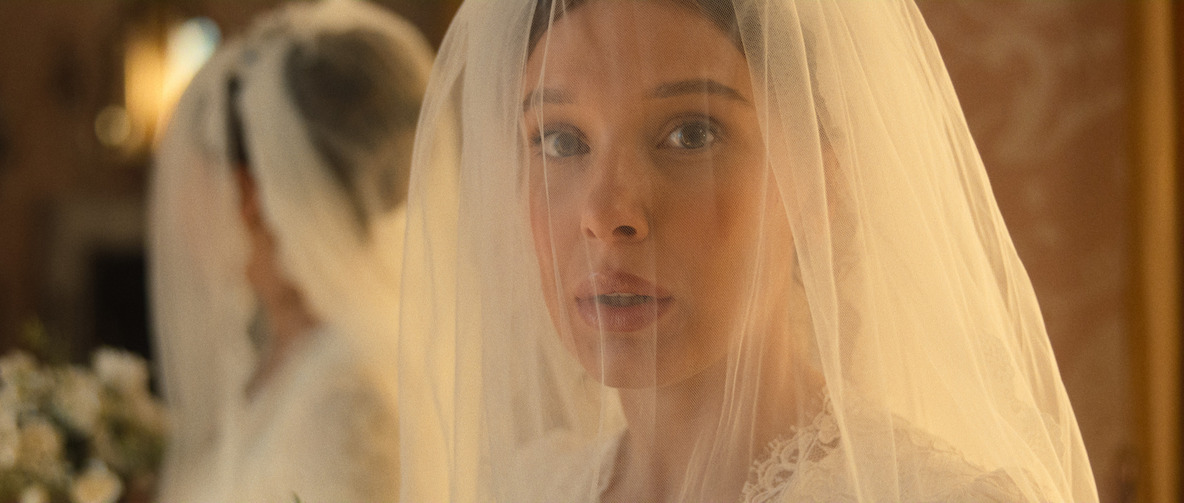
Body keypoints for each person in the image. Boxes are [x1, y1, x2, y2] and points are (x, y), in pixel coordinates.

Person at [397, 0, 1100, 501]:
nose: (607, 214)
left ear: (821, 184)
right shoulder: (527, 487)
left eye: (691, 134)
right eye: (560, 140)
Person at [147, 0, 432, 501]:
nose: (175, 209)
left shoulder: (345, 400)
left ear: (248, 195)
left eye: (191, 176)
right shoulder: (281, 354)